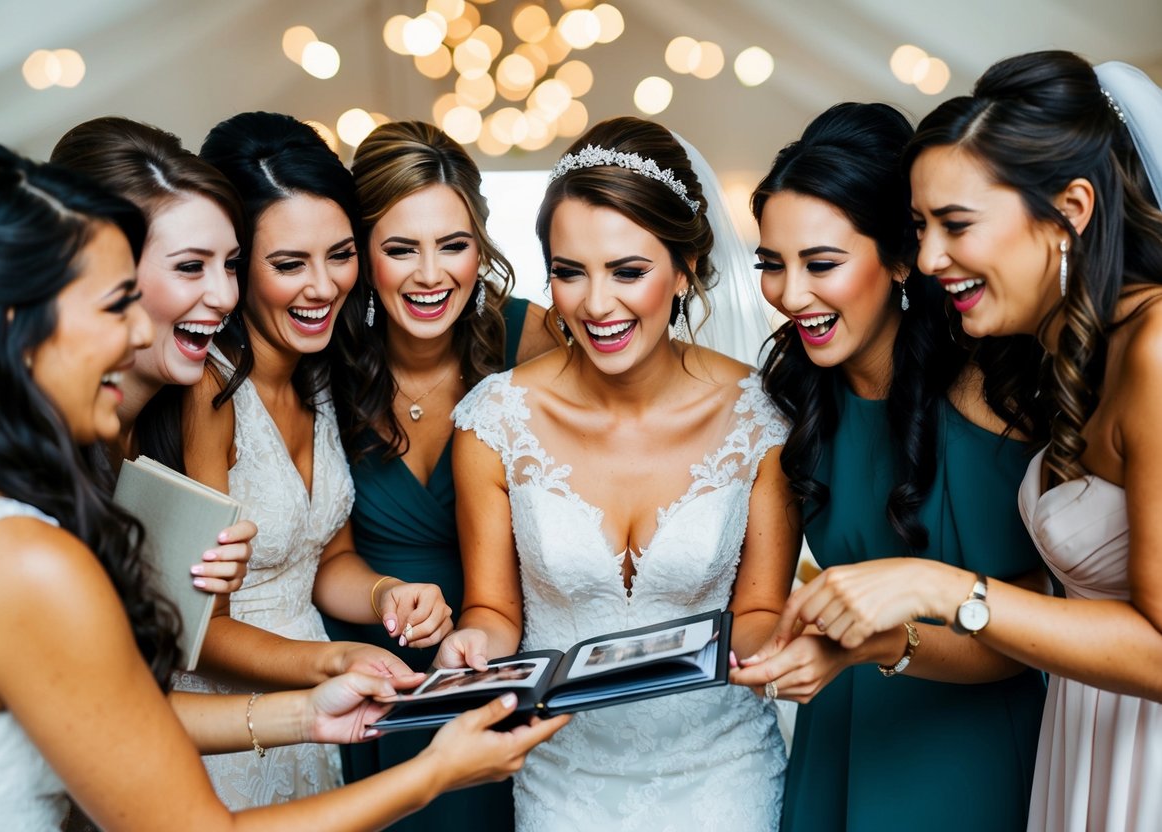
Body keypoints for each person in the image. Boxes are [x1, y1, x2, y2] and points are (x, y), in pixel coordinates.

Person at [0, 135, 568, 832]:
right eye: (115, 303)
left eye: (229, 266)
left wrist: (309, 707)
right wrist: (432, 773)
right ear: (15, 322)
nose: (136, 334)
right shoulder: (26, 557)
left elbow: (116, 704)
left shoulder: (5, 513)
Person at [773, 52, 1162, 830]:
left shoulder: (1155, 351)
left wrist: (944, 587)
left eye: (954, 225)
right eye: (918, 227)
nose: (927, 260)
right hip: (1081, 737)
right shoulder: (1072, 354)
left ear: (1071, 208)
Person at [438, 116, 799, 830]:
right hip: (562, 777)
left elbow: (757, 611)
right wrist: (470, 645)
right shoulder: (493, 422)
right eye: (569, 273)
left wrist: (781, 647)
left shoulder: (761, 418)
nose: (595, 305)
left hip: (722, 775)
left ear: (685, 267)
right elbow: (495, 612)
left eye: (627, 271)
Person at [728, 102, 1049, 831]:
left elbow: (1032, 628)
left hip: (969, 750)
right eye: (771, 265)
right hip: (840, 725)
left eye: (821, 264)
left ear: (902, 259)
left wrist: (873, 644)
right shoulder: (795, 400)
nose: (789, 294)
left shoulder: (990, 393)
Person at [176, 112, 452, 808]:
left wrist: (387, 593)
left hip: (313, 714)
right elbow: (195, 624)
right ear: (235, 263)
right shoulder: (205, 389)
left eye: (339, 254)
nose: (323, 286)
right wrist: (330, 658)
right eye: (289, 264)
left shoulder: (324, 373)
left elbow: (328, 563)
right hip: (224, 719)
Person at [323, 120, 554, 831]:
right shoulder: (324, 357)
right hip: (371, 669)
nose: (431, 275)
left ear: (480, 246)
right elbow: (328, 558)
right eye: (400, 250)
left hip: (502, 659)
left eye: (453, 246)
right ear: (362, 253)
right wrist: (386, 594)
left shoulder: (537, 338)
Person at [49, 116, 253, 596]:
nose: (224, 295)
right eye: (190, 266)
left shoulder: (184, 415)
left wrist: (199, 582)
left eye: (230, 265)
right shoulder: (41, 446)